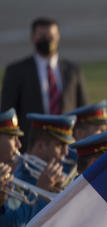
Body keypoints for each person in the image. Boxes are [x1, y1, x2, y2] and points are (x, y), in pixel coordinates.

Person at [1, 17, 87, 147]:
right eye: (42, 36)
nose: (47, 40)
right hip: (32, 146)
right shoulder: (16, 71)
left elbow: (83, 109)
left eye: (51, 36)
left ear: (58, 37)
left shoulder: (72, 70)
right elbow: (7, 111)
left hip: (67, 144)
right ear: (33, 37)